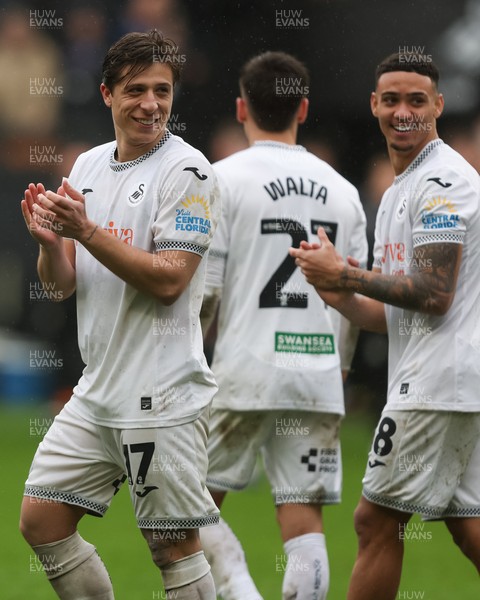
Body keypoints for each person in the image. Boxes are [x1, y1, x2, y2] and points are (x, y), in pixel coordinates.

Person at [19, 29, 220, 600]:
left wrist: (84, 230)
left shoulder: (191, 173)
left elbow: (170, 280)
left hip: (162, 395)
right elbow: (61, 288)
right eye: (135, 90)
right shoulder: (85, 166)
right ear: (107, 94)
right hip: (97, 391)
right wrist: (50, 245)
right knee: (41, 522)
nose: (151, 104)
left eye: (162, 90)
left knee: (173, 547)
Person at [290, 52, 480, 599]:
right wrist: (341, 293)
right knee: (468, 526)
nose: (404, 112)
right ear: (374, 105)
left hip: (435, 386)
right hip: (443, 383)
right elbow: (393, 311)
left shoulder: (443, 180)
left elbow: (434, 293)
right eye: (392, 100)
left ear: (438, 106)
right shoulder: (398, 189)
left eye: (417, 100)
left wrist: (347, 273)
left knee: (375, 521)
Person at [200, 51, 368, 600]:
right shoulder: (343, 192)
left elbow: (208, 293)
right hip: (315, 371)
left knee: (183, 510)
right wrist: (340, 367)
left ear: (241, 107)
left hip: (241, 368)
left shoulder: (221, 180)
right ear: (304, 108)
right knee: (303, 523)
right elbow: (351, 294)